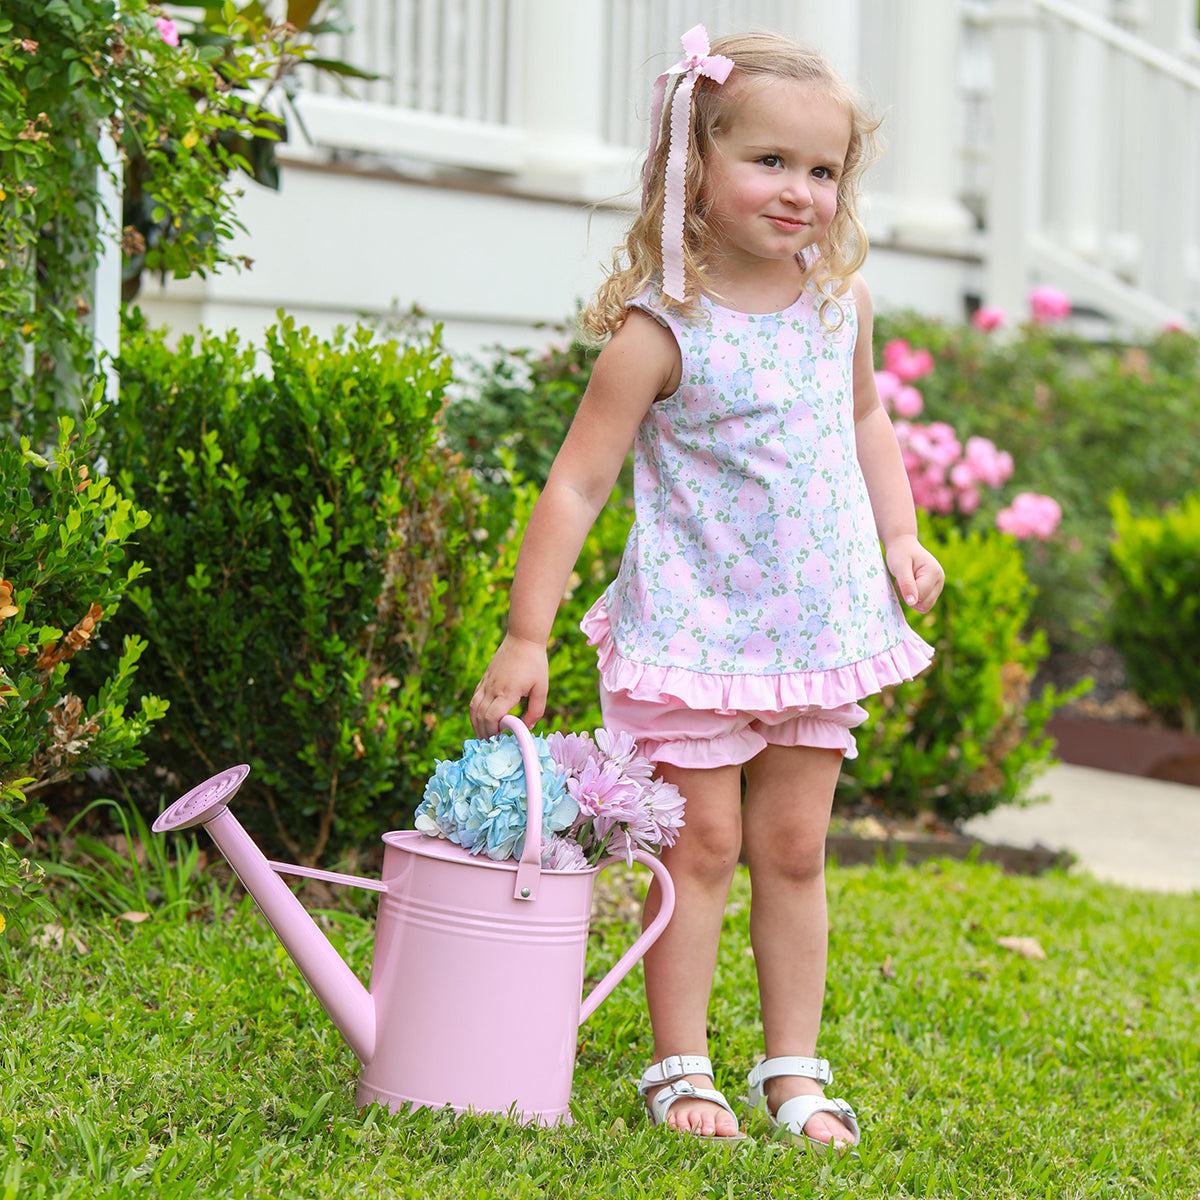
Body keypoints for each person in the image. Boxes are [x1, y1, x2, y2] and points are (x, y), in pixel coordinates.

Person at [470, 26, 944, 1149]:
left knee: (794, 850)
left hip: (818, 625)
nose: (801, 192)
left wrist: (901, 532)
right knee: (700, 850)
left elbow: (868, 420)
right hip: (695, 630)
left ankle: (794, 1071)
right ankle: (679, 1068)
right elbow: (577, 487)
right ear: (694, 166)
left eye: (822, 170)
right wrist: (525, 635)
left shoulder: (842, 306)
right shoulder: (659, 330)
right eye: (769, 162)